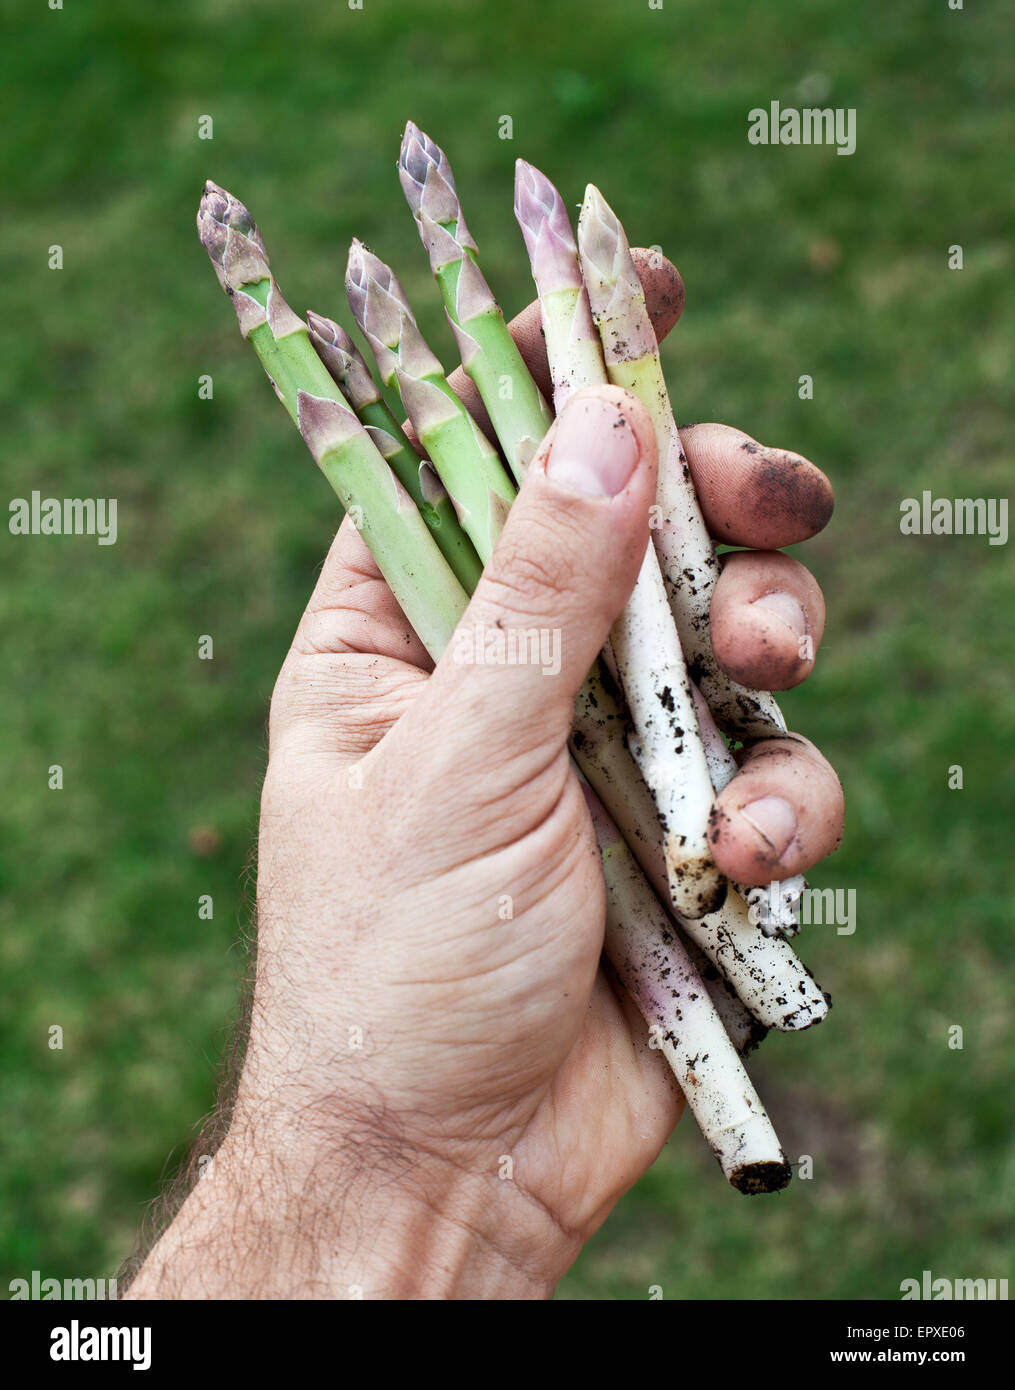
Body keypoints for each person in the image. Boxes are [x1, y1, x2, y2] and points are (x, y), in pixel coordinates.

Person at [124, 274, 843, 1300]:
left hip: (648, 875)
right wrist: (398, 1153)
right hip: (602, 950)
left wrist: (393, 1171)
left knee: (721, 656)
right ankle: (739, 971)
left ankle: (735, 941)